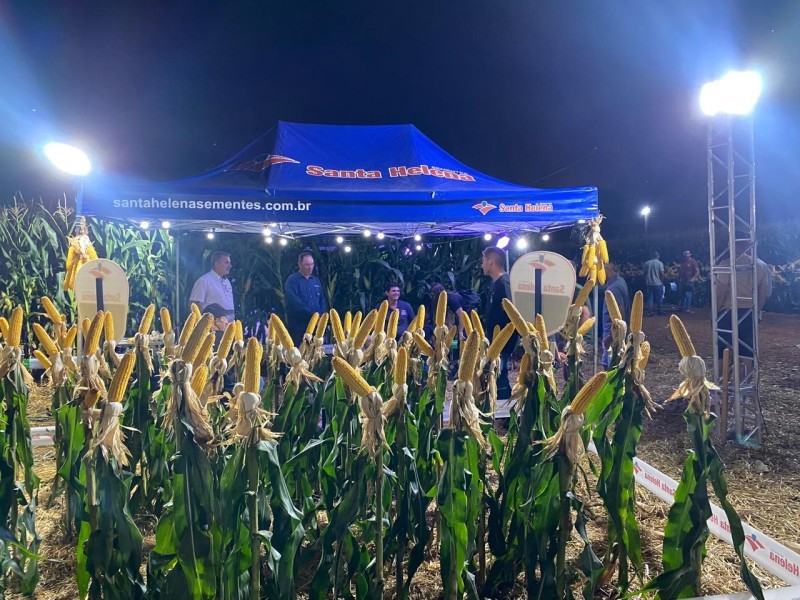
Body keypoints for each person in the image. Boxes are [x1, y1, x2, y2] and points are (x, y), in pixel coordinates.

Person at [714, 241, 770, 359]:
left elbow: (720, 293)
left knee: (722, 350)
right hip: (749, 311)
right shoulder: (762, 265)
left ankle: (722, 371)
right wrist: (757, 312)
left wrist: (715, 313)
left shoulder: (726, 264)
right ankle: (747, 372)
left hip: (727, 311)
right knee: (746, 351)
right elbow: (763, 293)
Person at [481, 246, 519, 405]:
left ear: (491, 262)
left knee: (500, 376)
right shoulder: (495, 284)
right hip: (495, 341)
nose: (482, 265)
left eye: (483, 261)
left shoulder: (504, 283)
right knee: (495, 377)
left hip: (503, 342)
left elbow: (512, 313)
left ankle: (505, 410)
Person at [284, 251, 327, 346]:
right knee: (299, 349)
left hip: (316, 323)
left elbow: (322, 299)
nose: (310, 267)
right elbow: (294, 301)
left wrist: (323, 316)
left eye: (312, 264)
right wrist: (310, 313)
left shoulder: (315, 281)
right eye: (307, 265)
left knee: (315, 349)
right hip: (299, 324)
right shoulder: (292, 280)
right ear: (299, 264)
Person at [189, 251, 235, 318]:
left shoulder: (227, 282)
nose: (230, 266)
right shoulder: (204, 281)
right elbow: (193, 304)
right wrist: (203, 321)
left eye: (230, 263)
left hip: (229, 322)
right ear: (216, 263)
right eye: (226, 262)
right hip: (213, 323)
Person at [601, 263, 630, 369]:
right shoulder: (620, 280)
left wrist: (611, 335)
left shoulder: (614, 288)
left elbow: (620, 312)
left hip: (612, 331)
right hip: (613, 331)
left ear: (606, 271)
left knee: (610, 363)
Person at [643, 250, 666, 316]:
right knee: (659, 297)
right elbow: (662, 274)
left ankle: (650, 312)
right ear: (658, 256)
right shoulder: (660, 263)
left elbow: (644, 273)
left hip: (649, 283)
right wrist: (662, 281)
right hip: (658, 283)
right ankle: (660, 310)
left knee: (650, 298)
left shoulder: (647, 263)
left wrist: (646, 280)